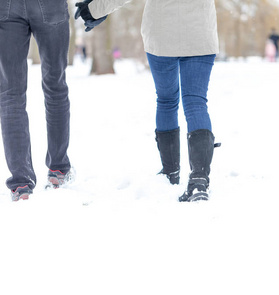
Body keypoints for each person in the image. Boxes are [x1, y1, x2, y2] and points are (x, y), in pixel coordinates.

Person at [75, 0, 220, 202]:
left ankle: (170, 174)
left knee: (167, 101)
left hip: (162, 33)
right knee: (196, 102)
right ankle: (199, 180)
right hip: (200, 31)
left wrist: (94, 9)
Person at [0, 0, 72, 201]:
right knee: (55, 87)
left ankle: (21, 182)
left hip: (5, 6)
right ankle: (58, 170)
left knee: (11, 94)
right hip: (50, 6)